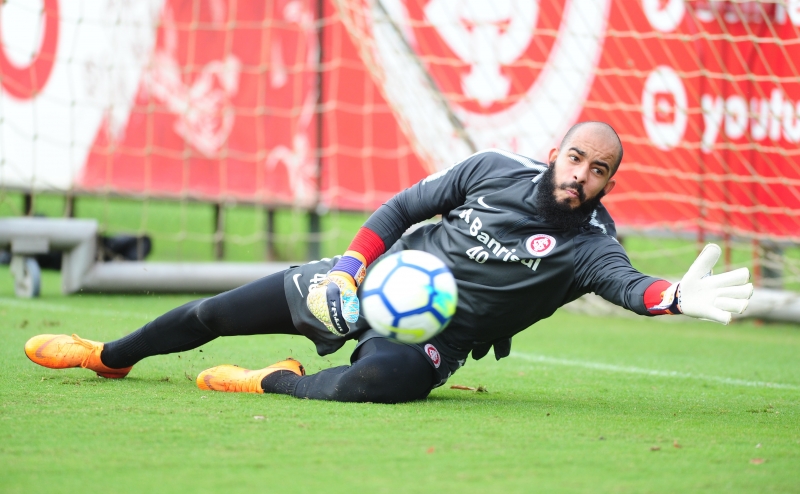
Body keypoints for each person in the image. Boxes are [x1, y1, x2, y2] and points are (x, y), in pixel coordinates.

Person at [24, 121, 753, 403]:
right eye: (575, 159)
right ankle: (109, 356)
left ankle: (274, 381)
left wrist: (674, 298)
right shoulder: (494, 167)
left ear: (608, 181)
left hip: (434, 338)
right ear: (558, 150)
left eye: (598, 171)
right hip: (370, 284)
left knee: (372, 386)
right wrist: (348, 269)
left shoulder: (591, 240)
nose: (580, 177)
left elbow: (631, 286)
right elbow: (400, 211)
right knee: (216, 311)